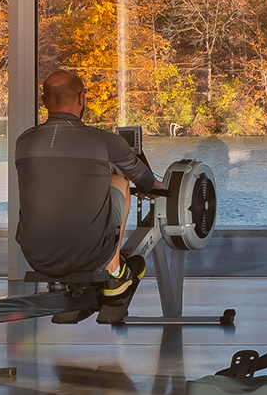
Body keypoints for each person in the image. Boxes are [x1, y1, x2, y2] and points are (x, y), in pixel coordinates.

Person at [11, 69, 162, 318]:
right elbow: (146, 182)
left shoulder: (24, 142)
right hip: (92, 255)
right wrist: (152, 188)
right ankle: (115, 272)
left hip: (36, 256)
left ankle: (68, 282)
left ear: (43, 101)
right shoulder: (105, 141)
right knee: (120, 181)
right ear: (81, 98)